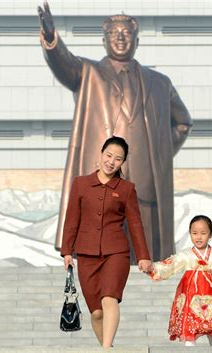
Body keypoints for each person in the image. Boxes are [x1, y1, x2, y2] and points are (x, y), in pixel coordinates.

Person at [38, 1, 193, 261]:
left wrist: (158, 154)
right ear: (104, 39)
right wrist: (52, 39)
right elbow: (63, 63)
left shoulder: (160, 83)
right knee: (97, 251)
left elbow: (183, 123)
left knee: (144, 255)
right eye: (113, 33)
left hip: (144, 184)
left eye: (127, 33)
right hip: (101, 178)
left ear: (137, 40)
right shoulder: (88, 73)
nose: (120, 38)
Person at [61, 136, 152, 348]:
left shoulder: (127, 188)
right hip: (86, 253)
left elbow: (136, 224)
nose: (111, 161)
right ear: (101, 154)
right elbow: (72, 218)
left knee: (110, 299)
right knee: (97, 312)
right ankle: (109, 347)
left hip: (116, 252)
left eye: (118, 159)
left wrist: (144, 256)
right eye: (108, 155)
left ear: (122, 163)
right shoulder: (81, 184)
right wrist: (67, 251)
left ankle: (105, 350)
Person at [149, 215, 212, 347]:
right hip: (191, 295)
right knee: (190, 327)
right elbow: (169, 266)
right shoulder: (185, 255)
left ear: (210, 234)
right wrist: (152, 268)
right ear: (190, 234)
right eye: (195, 233)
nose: (199, 237)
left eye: (203, 233)